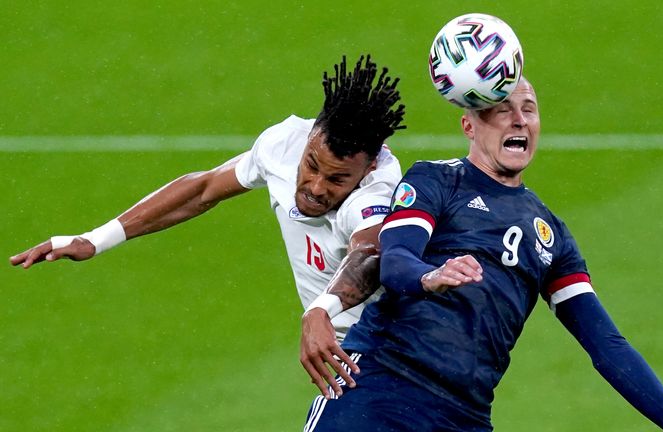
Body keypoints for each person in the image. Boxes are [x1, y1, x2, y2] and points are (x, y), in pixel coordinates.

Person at [302, 78, 663, 432]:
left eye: (529, 109)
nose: (519, 120)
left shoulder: (552, 236)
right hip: (377, 387)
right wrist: (429, 277)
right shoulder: (436, 180)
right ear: (469, 126)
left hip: (463, 416)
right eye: (502, 109)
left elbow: (605, 343)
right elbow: (394, 260)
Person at [9, 55, 405, 369]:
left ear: (368, 167)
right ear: (311, 135)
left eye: (336, 179)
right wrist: (94, 240)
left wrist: (321, 309)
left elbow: (369, 253)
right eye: (312, 166)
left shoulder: (377, 192)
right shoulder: (284, 144)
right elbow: (202, 189)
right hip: (347, 349)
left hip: (388, 346)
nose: (316, 188)